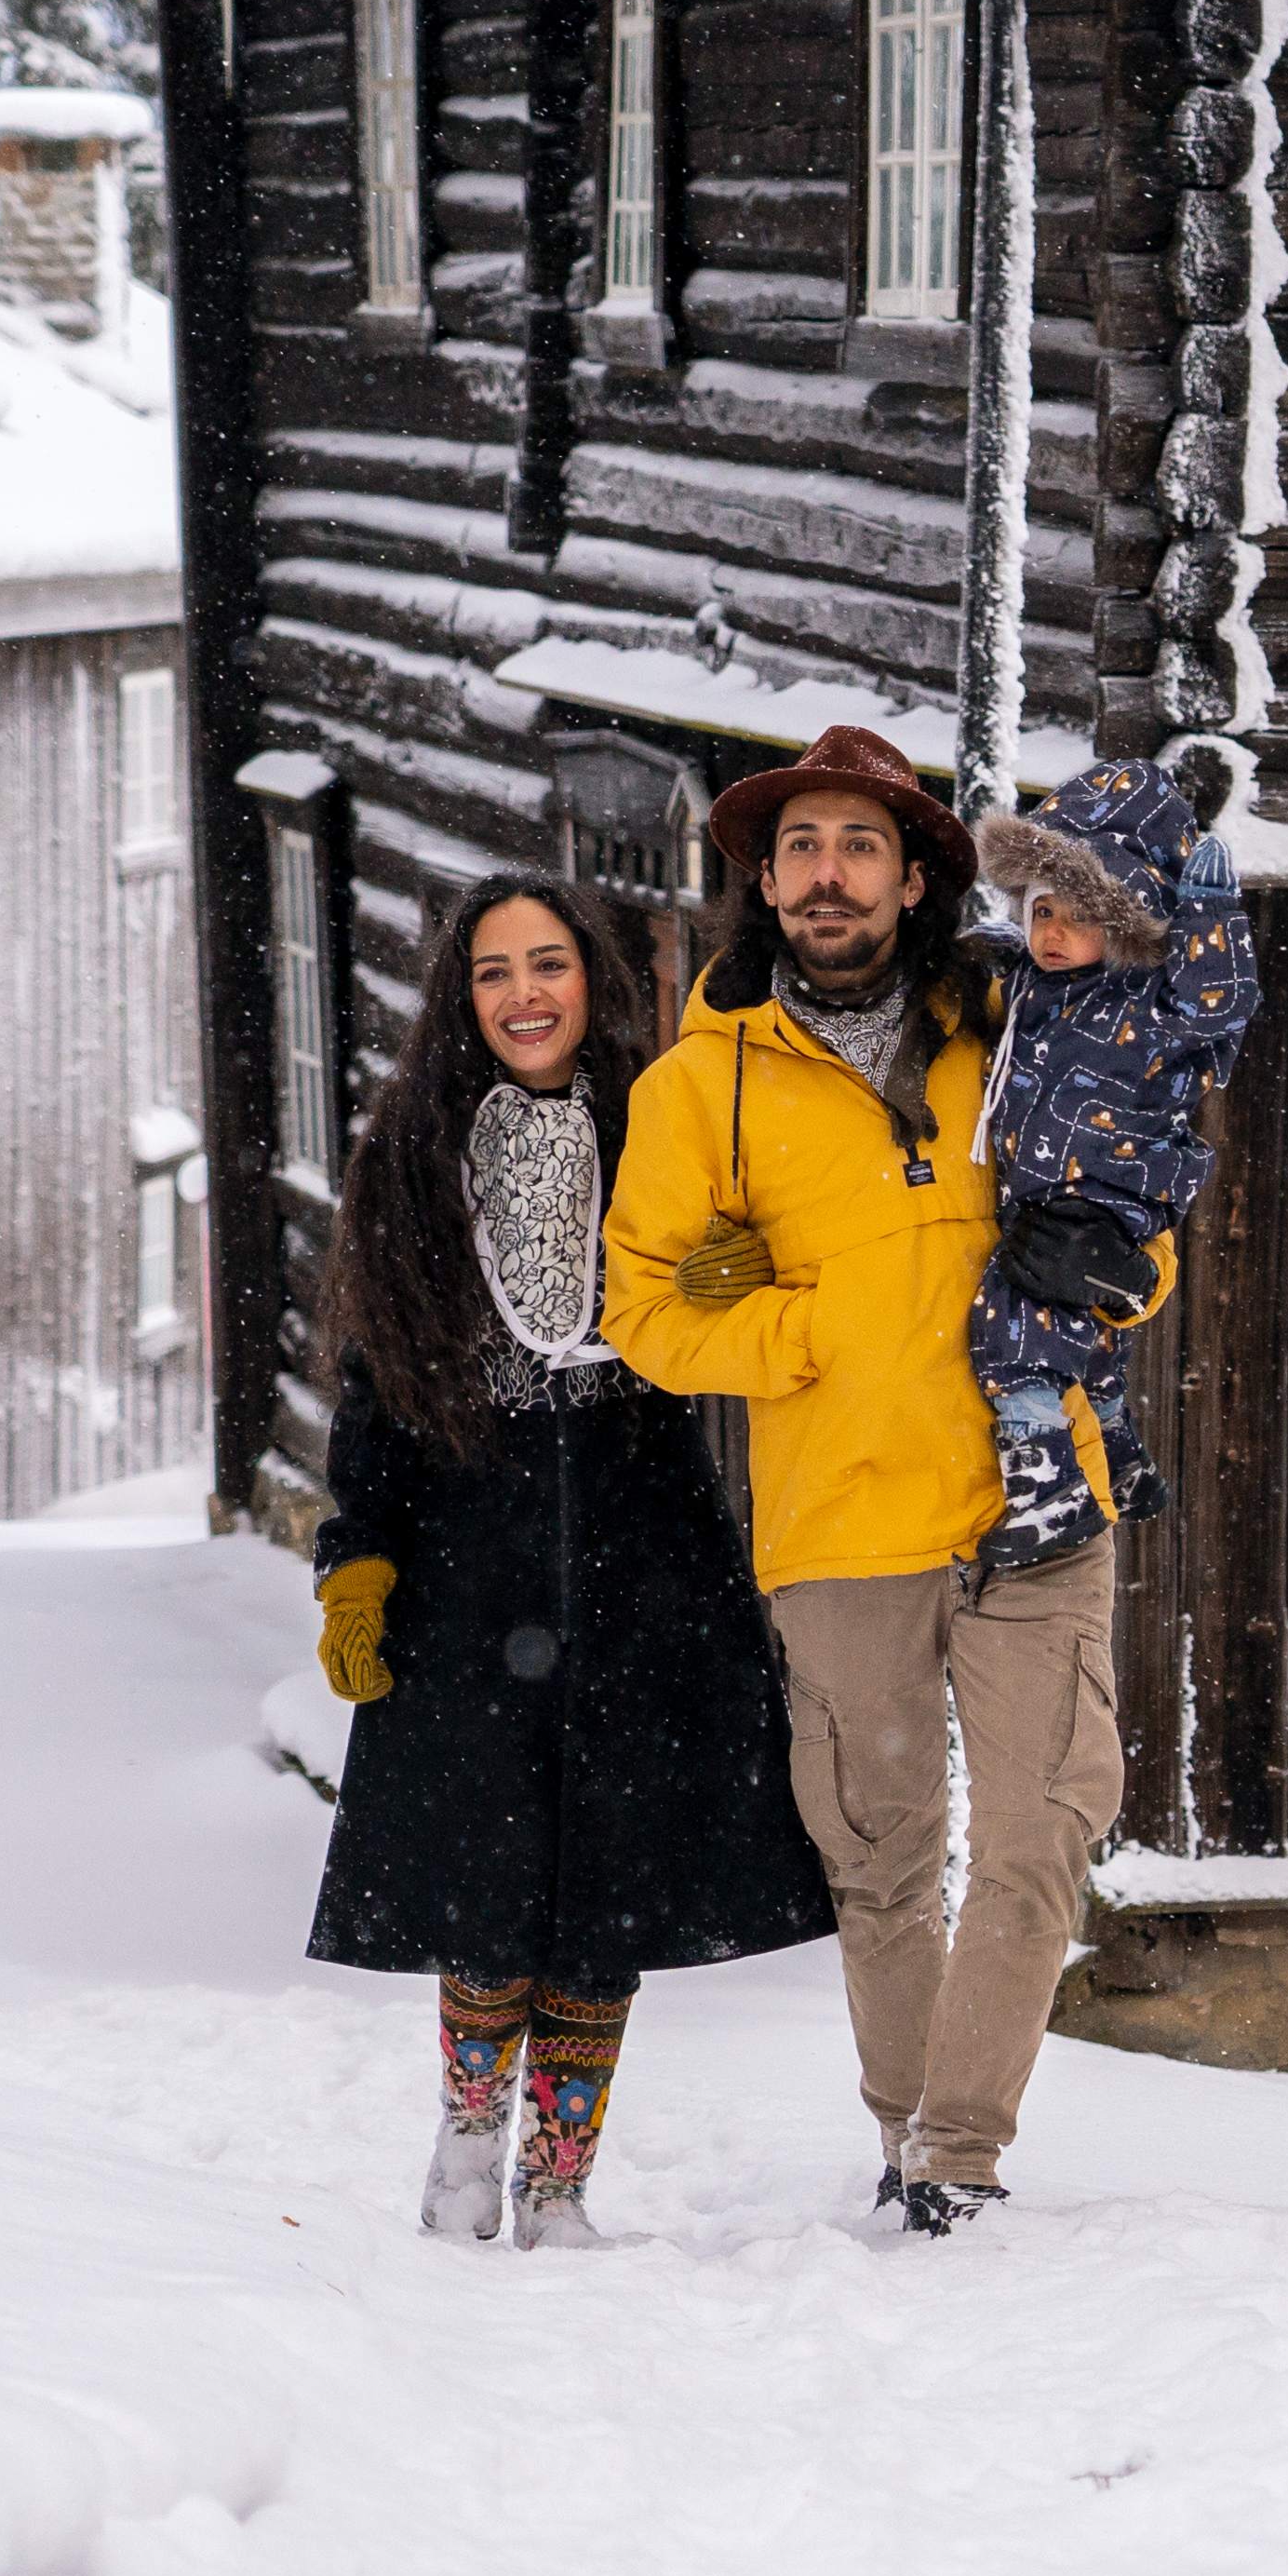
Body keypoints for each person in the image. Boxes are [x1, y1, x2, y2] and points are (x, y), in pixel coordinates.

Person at [599, 724, 1174, 2237]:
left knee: (1050, 1823)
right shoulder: (699, 1088)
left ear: (916, 877)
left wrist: (1108, 1268)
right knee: (881, 1852)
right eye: (800, 847)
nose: (828, 872)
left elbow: (1137, 1232)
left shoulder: (1023, 1034)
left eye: (859, 844)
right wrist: (805, 1327)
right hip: (842, 1507)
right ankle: (910, 2132)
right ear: (765, 881)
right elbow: (643, 1310)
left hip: (1034, 1491)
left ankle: (958, 2150)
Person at [306, 877, 829, 2249]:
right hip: (467, 1566)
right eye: (494, 972)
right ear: (461, 1000)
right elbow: (379, 1390)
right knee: (487, 1887)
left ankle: (557, 2184)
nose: (525, 993)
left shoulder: (660, 1135)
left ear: (591, 979)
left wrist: (731, 1271)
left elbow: (755, 1275)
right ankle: (469, 2146)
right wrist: (355, 1561)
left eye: (549, 964)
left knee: (610, 1887)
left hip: (644, 1560)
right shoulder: (414, 1160)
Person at [961, 758, 1257, 1576]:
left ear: (1127, 921)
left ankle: (1049, 1490)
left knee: (1010, 1325)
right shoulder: (1031, 984)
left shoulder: (1152, 1002)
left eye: (1078, 916)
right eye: (1040, 910)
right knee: (1087, 1345)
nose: (1051, 933)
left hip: (1111, 1191)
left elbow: (1220, 1004)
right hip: (1061, 1190)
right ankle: (1119, 1461)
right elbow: (990, 960)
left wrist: (1209, 913)